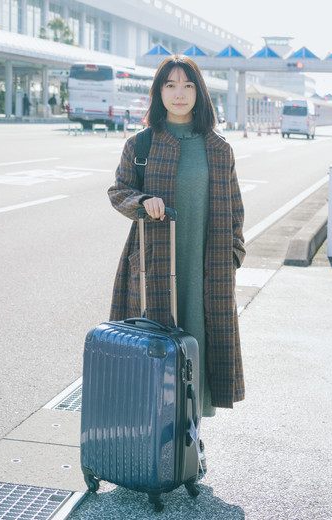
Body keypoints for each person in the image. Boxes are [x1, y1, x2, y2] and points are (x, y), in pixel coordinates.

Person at [107, 55, 246, 416]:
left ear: (199, 92)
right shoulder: (142, 145)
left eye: (187, 85)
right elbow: (118, 192)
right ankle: (155, 440)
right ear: (159, 92)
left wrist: (232, 256)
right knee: (151, 348)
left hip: (206, 266)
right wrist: (142, 201)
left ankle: (191, 438)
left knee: (200, 345)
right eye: (170, 85)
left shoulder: (218, 148)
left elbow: (235, 211)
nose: (179, 93)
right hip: (154, 263)